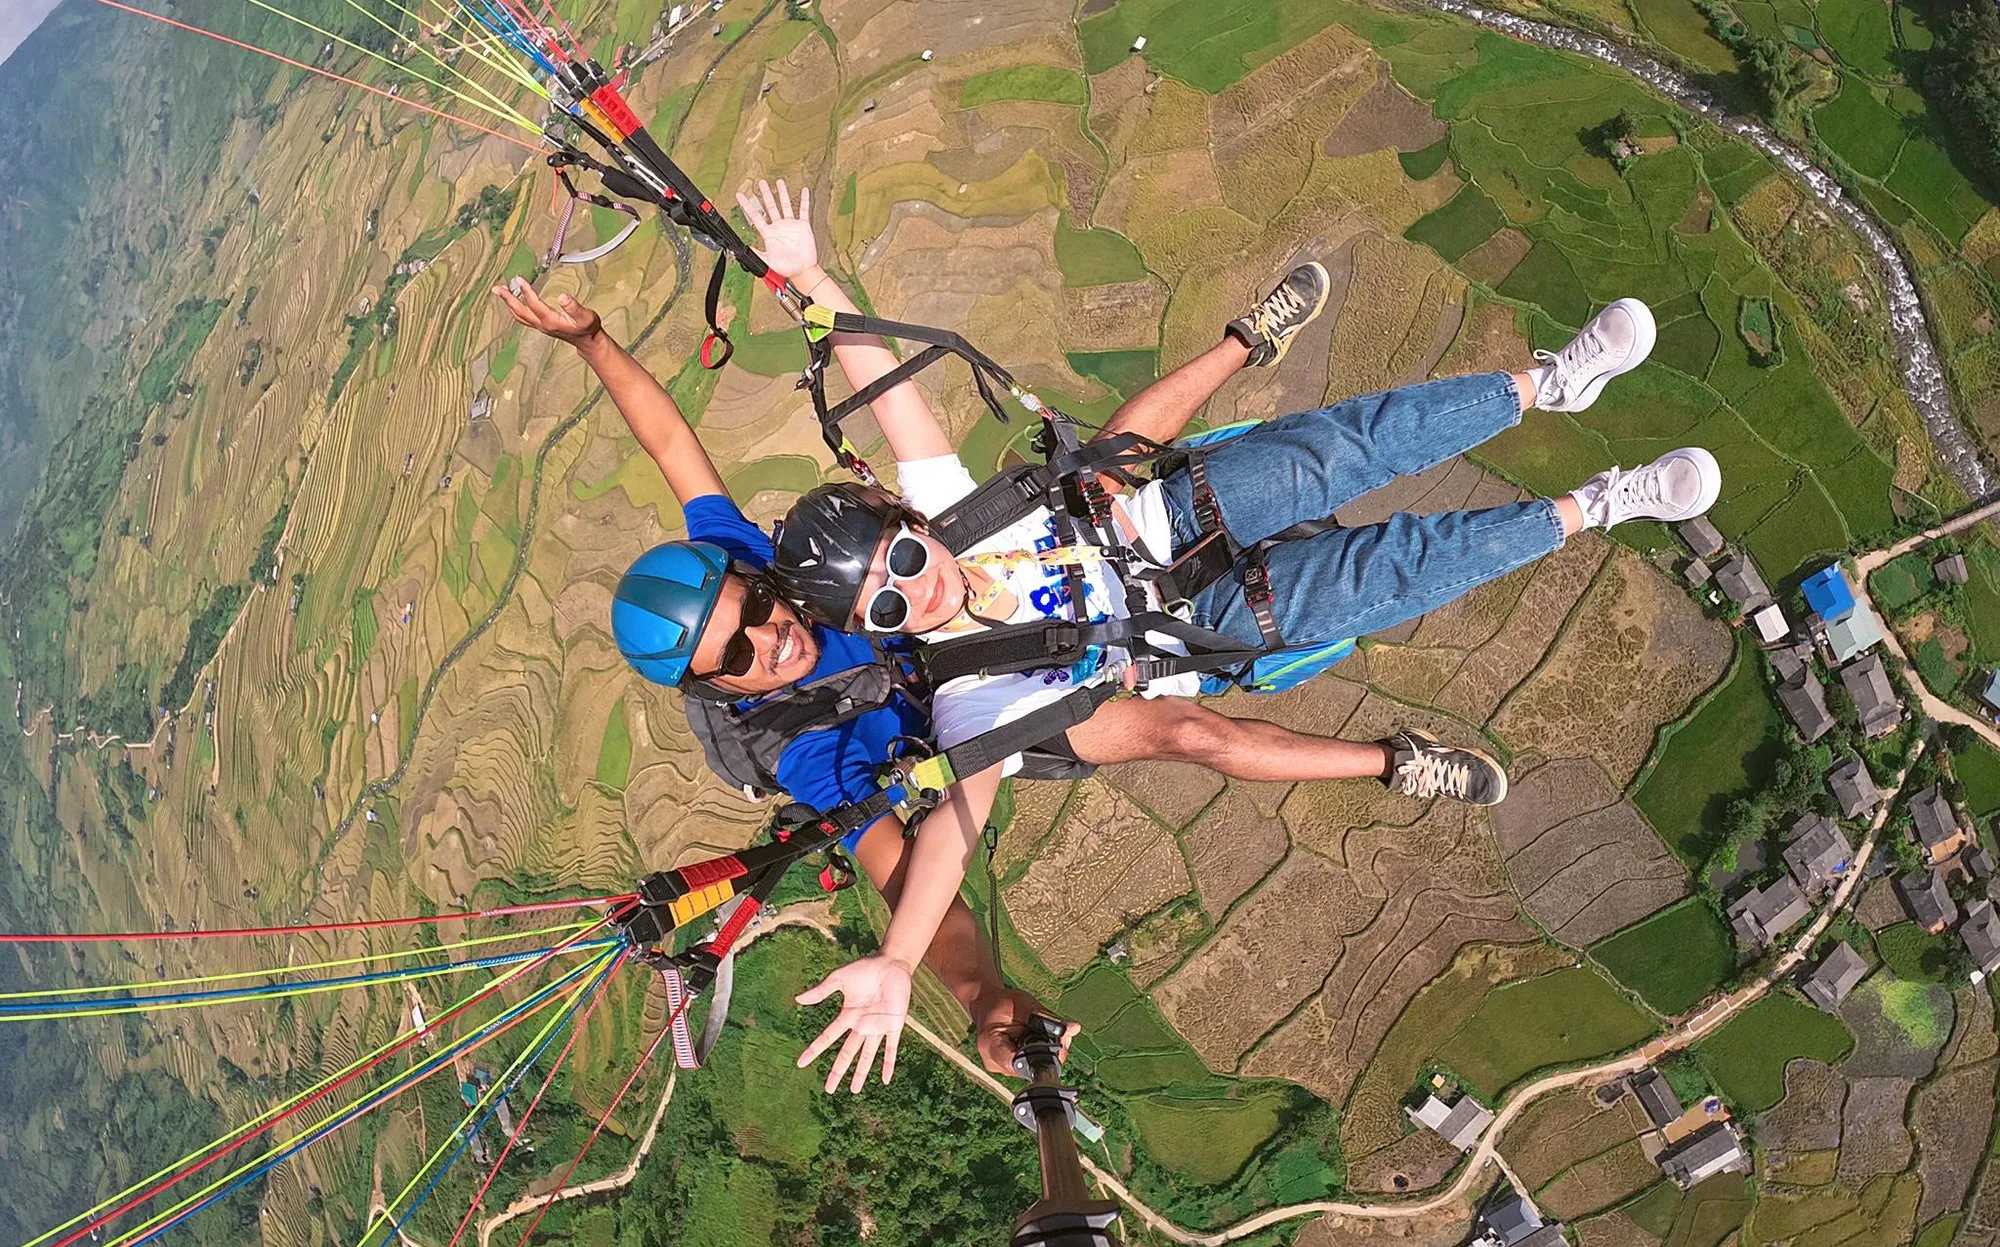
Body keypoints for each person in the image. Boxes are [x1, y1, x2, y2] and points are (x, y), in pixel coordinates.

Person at [488, 177, 1505, 1071]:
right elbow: (915, 878)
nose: (771, 636)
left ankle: (1245, 342)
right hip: (1008, 705)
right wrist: (978, 998)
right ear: (716, 685)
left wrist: (594, 342)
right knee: (1191, 733)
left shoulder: (751, 571)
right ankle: (1395, 763)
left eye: (754, 608)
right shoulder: (805, 750)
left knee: (1088, 475)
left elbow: (673, 448)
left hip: (966, 583)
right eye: (741, 654)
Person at [766, 244, 1723, 1093]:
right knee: (1396, 572)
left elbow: (890, 390)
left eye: (902, 558)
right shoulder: (972, 699)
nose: (916, 590)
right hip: (1196, 639)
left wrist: (810, 276)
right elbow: (956, 831)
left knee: (1333, 449)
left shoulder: (951, 508)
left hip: (1158, 520)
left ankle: (1550, 382)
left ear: (908, 521)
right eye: (885, 608)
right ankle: (1601, 507)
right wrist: (901, 959)